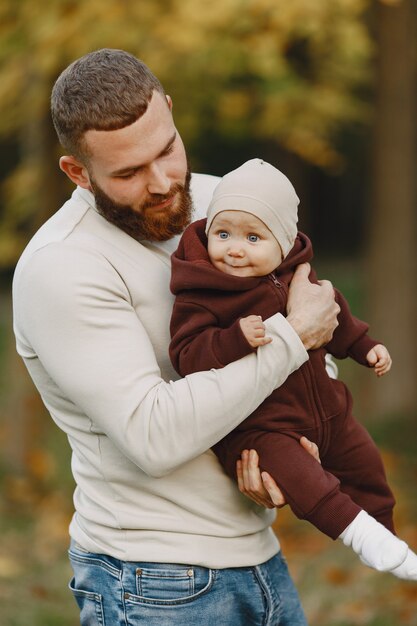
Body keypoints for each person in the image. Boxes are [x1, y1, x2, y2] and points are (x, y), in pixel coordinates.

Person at [12, 49, 340, 626]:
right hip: (152, 582)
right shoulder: (62, 266)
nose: (163, 182)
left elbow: (316, 332)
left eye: (166, 150)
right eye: (129, 172)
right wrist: (290, 339)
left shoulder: (225, 204)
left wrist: (299, 444)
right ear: (77, 172)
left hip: (261, 560)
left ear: (170, 110)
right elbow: (154, 435)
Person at [169, 158, 417, 582]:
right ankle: (360, 536)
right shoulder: (202, 292)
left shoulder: (296, 275)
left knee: (368, 467)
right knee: (305, 480)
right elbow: (187, 354)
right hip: (264, 428)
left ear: (283, 243)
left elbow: (333, 313)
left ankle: (387, 538)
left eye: (253, 237)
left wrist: (365, 347)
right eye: (223, 234)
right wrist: (234, 339)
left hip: (331, 413)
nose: (235, 248)